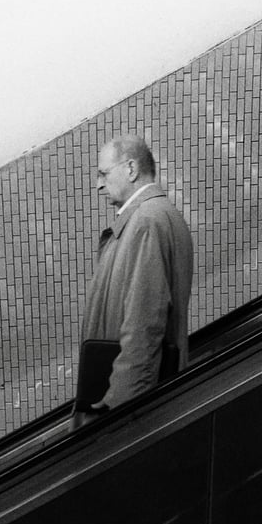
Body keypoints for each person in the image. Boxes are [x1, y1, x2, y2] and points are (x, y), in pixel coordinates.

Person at [71, 135, 194, 428]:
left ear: (130, 169)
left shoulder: (146, 223)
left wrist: (116, 409)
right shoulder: (149, 218)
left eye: (103, 173)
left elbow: (144, 326)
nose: (99, 184)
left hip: (126, 414)